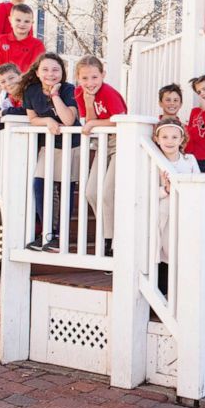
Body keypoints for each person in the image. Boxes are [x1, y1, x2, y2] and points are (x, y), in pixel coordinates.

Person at [19, 53, 79, 253]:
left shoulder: (69, 90)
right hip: (49, 145)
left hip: (71, 145)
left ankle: (60, 236)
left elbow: (69, 120)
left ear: (62, 72)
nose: (50, 74)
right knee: (40, 185)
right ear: (37, 72)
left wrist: (55, 95)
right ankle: (47, 232)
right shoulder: (31, 91)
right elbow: (33, 119)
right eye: (45, 69)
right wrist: (48, 121)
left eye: (55, 70)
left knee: (64, 190)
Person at [75, 56, 127, 258]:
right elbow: (89, 121)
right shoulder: (80, 93)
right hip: (102, 144)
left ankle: (111, 241)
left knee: (106, 193)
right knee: (91, 192)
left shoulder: (109, 93)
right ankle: (107, 233)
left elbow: (120, 121)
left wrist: (92, 124)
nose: (90, 83)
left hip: (119, 143)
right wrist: (88, 104)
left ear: (103, 75)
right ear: (78, 79)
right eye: (85, 78)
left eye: (94, 77)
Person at [153, 118, 200, 294]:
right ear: (157, 139)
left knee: (184, 253)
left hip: (185, 214)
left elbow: (197, 185)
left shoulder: (189, 161)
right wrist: (165, 189)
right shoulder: (154, 161)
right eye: (164, 137)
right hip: (163, 217)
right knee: (166, 253)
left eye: (174, 137)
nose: (169, 141)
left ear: (182, 139)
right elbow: (148, 192)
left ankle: (182, 292)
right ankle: (164, 292)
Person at [0, 3, 45, 73]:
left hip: (28, 82)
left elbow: (36, 71)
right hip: (7, 82)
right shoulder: (2, 40)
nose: (22, 24)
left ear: (32, 23)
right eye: (18, 20)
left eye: (27, 21)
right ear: (10, 20)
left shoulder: (37, 45)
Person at [0, 64, 26, 130]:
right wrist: (3, 112)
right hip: (19, 136)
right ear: (0, 86)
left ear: (20, 77)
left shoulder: (29, 92)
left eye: (11, 78)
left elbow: (26, 110)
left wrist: (4, 112)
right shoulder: (7, 98)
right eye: (3, 82)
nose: (8, 83)